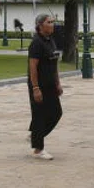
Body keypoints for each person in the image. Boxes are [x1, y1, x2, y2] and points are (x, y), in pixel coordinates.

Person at [27, 14, 63, 160]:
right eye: (49, 22)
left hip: (51, 83)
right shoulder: (36, 43)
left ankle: (35, 135)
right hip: (39, 84)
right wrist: (35, 88)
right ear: (40, 25)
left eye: (53, 22)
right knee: (39, 115)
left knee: (56, 113)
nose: (52, 24)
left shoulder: (51, 40)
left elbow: (54, 64)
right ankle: (38, 149)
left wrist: (58, 83)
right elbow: (33, 67)